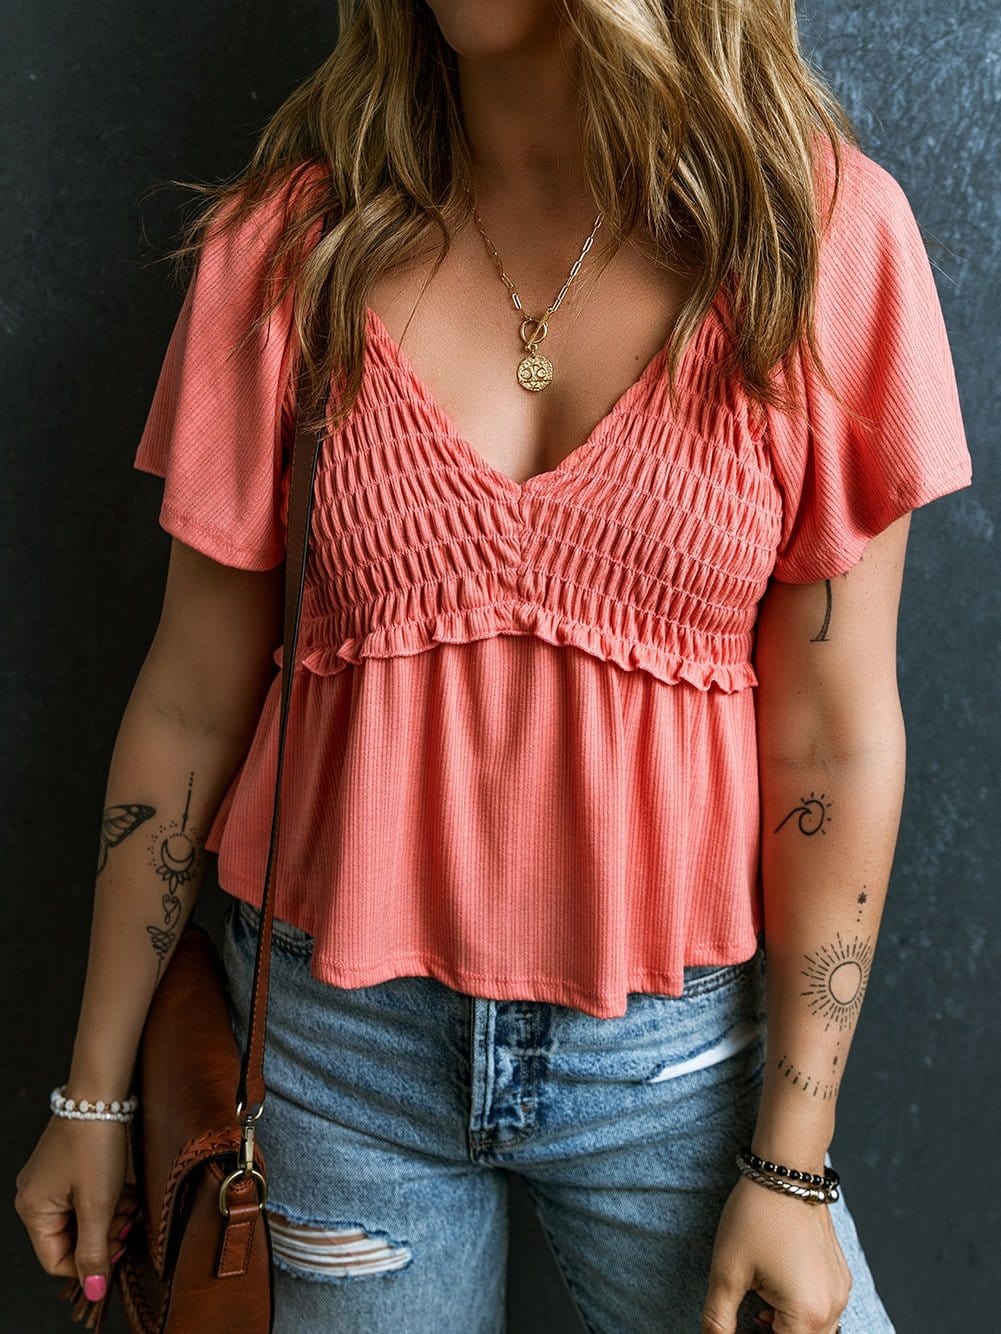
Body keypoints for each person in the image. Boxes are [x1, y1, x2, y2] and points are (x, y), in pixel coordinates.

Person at [15, 2, 972, 1331]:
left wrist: (789, 1156)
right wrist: (94, 1092)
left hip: (680, 1070)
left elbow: (835, 737)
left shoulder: (812, 245)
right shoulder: (295, 245)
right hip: (331, 1059)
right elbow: (187, 698)